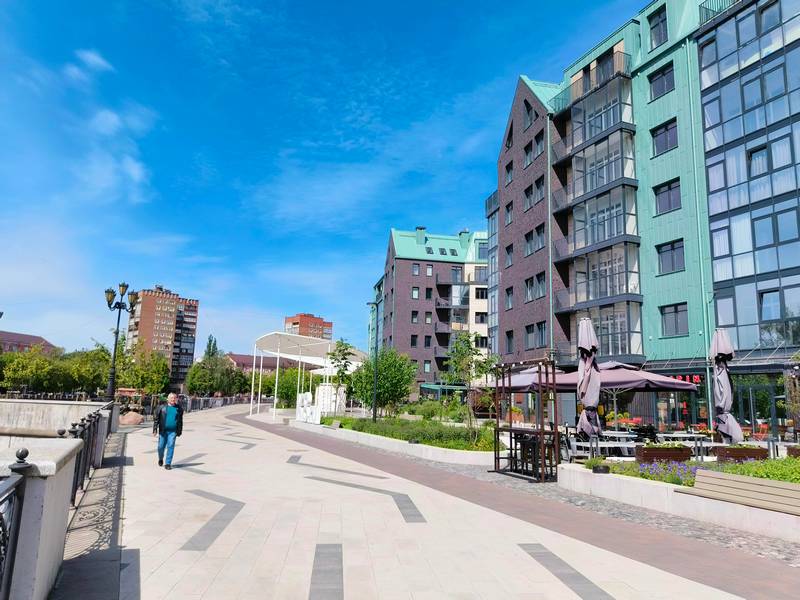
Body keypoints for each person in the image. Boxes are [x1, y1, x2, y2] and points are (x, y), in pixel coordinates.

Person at [153, 393, 184, 470]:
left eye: (174, 398)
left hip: (173, 432)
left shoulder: (179, 408)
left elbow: (180, 421)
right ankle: (160, 458)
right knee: (160, 447)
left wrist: (179, 430)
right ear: (167, 399)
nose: (173, 399)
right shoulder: (161, 407)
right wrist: (155, 429)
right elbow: (156, 419)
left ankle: (168, 463)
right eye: (171, 398)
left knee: (171, 446)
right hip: (163, 431)